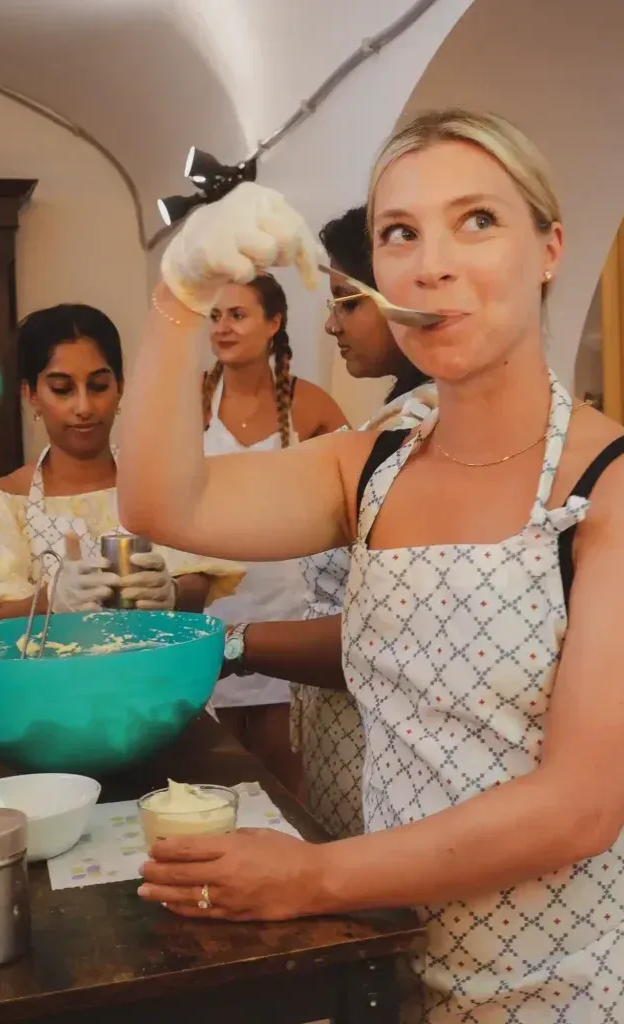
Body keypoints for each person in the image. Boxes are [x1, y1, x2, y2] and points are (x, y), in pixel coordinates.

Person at [120, 110, 624, 1022]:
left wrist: (312, 877)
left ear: (549, 248)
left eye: (477, 220)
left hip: (597, 984)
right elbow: (163, 505)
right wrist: (179, 297)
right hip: (415, 966)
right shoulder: (370, 465)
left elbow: (578, 808)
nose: (430, 264)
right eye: (399, 233)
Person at [217, 206, 437, 837]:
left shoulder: (414, 430)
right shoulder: (391, 420)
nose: (332, 323)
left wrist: (228, 643)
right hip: (342, 717)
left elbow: (389, 633)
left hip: (381, 738)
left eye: (347, 302)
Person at [0, 303, 241, 621]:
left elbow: (200, 576)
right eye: (62, 389)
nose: (84, 407)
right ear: (32, 395)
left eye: (98, 386)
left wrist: (173, 592)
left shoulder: (157, 483)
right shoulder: (4, 502)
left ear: (120, 386)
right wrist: (48, 601)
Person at [202, 272, 347, 794]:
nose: (223, 327)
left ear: (273, 323)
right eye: (215, 316)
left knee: (286, 781)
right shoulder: (191, 403)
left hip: (289, 610)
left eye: (237, 315)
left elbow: (354, 506)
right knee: (217, 776)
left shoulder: (312, 406)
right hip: (212, 607)